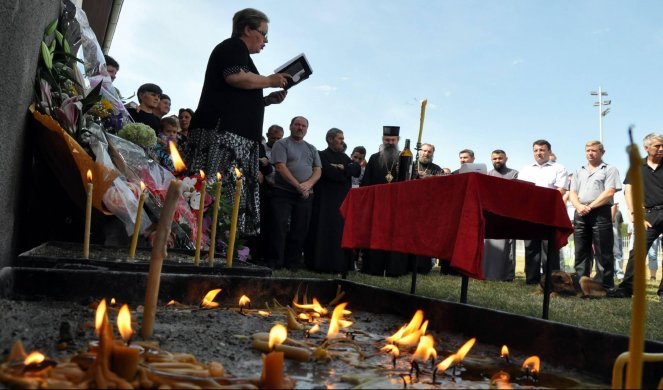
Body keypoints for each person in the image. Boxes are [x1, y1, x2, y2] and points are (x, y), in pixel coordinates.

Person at [184, 8, 290, 236]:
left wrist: (266, 101)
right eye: (263, 34)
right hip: (222, 136)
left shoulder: (242, 55)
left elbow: (238, 98)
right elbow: (236, 77)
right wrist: (270, 80)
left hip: (234, 136)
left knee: (225, 195)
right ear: (247, 29)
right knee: (214, 192)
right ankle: (204, 239)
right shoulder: (232, 47)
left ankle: (219, 242)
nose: (265, 41)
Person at [609, 133, 663, 298]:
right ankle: (627, 288)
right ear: (646, 148)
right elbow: (629, 191)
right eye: (657, 146)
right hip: (649, 214)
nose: (661, 149)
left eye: (662, 146)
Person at [266, 116, 321, 270]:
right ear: (290, 126)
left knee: (300, 229)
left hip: (305, 195)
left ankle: (293, 263)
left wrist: (308, 185)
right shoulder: (281, 144)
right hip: (283, 192)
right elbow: (280, 167)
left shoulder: (311, 148)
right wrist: (298, 186)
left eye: (304, 126)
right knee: (279, 227)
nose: (300, 128)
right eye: (297, 124)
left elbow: (318, 170)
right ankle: (275, 261)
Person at [304, 128, 360, 273]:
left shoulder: (345, 157)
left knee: (339, 232)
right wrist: (345, 171)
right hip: (325, 202)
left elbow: (357, 170)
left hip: (342, 202)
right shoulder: (321, 155)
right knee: (322, 231)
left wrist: (343, 168)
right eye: (340, 138)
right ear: (330, 139)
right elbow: (329, 173)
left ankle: (339, 265)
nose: (343, 141)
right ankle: (320, 264)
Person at [568, 140, 621, 289]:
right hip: (580, 212)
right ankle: (580, 282)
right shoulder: (579, 171)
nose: (590, 153)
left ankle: (604, 285)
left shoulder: (610, 169)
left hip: (600, 212)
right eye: (587, 150)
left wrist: (589, 206)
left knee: (603, 251)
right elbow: (572, 192)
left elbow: (609, 191)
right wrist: (578, 206)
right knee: (581, 250)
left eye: (594, 150)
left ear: (602, 152)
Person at [359, 126, 410, 276]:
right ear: (383, 140)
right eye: (387, 140)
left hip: (396, 206)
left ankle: (394, 269)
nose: (390, 143)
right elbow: (366, 183)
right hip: (377, 205)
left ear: (398, 140)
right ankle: (373, 268)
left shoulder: (404, 158)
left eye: (393, 140)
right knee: (375, 236)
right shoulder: (375, 158)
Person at [518, 139, 568, 284]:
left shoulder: (559, 168)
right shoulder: (526, 169)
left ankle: (551, 280)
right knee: (531, 247)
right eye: (536, 150)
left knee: (550, 247)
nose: (539, 153)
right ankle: (532, 279)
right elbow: (522, 190)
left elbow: (561, 190)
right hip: (530, 212)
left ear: (549, 151)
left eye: (542, 150)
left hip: (549, 212)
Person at [483, 149, 519, 281]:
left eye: (500, 158)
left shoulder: (514, 174)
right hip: (491, 216)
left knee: (507, 248)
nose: (497, 161)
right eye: (494, 159)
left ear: (506, 159)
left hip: (507, 216)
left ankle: (507, 276)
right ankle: (487, 274)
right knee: (489, 247)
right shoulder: (487, 175)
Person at [612, 203, 625, 280]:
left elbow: (621, 224)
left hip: (618, 236)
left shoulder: (619, 212)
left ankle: (619, 273)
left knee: (618, 254)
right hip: (612, 234)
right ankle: (614, 273)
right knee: (615, 254)